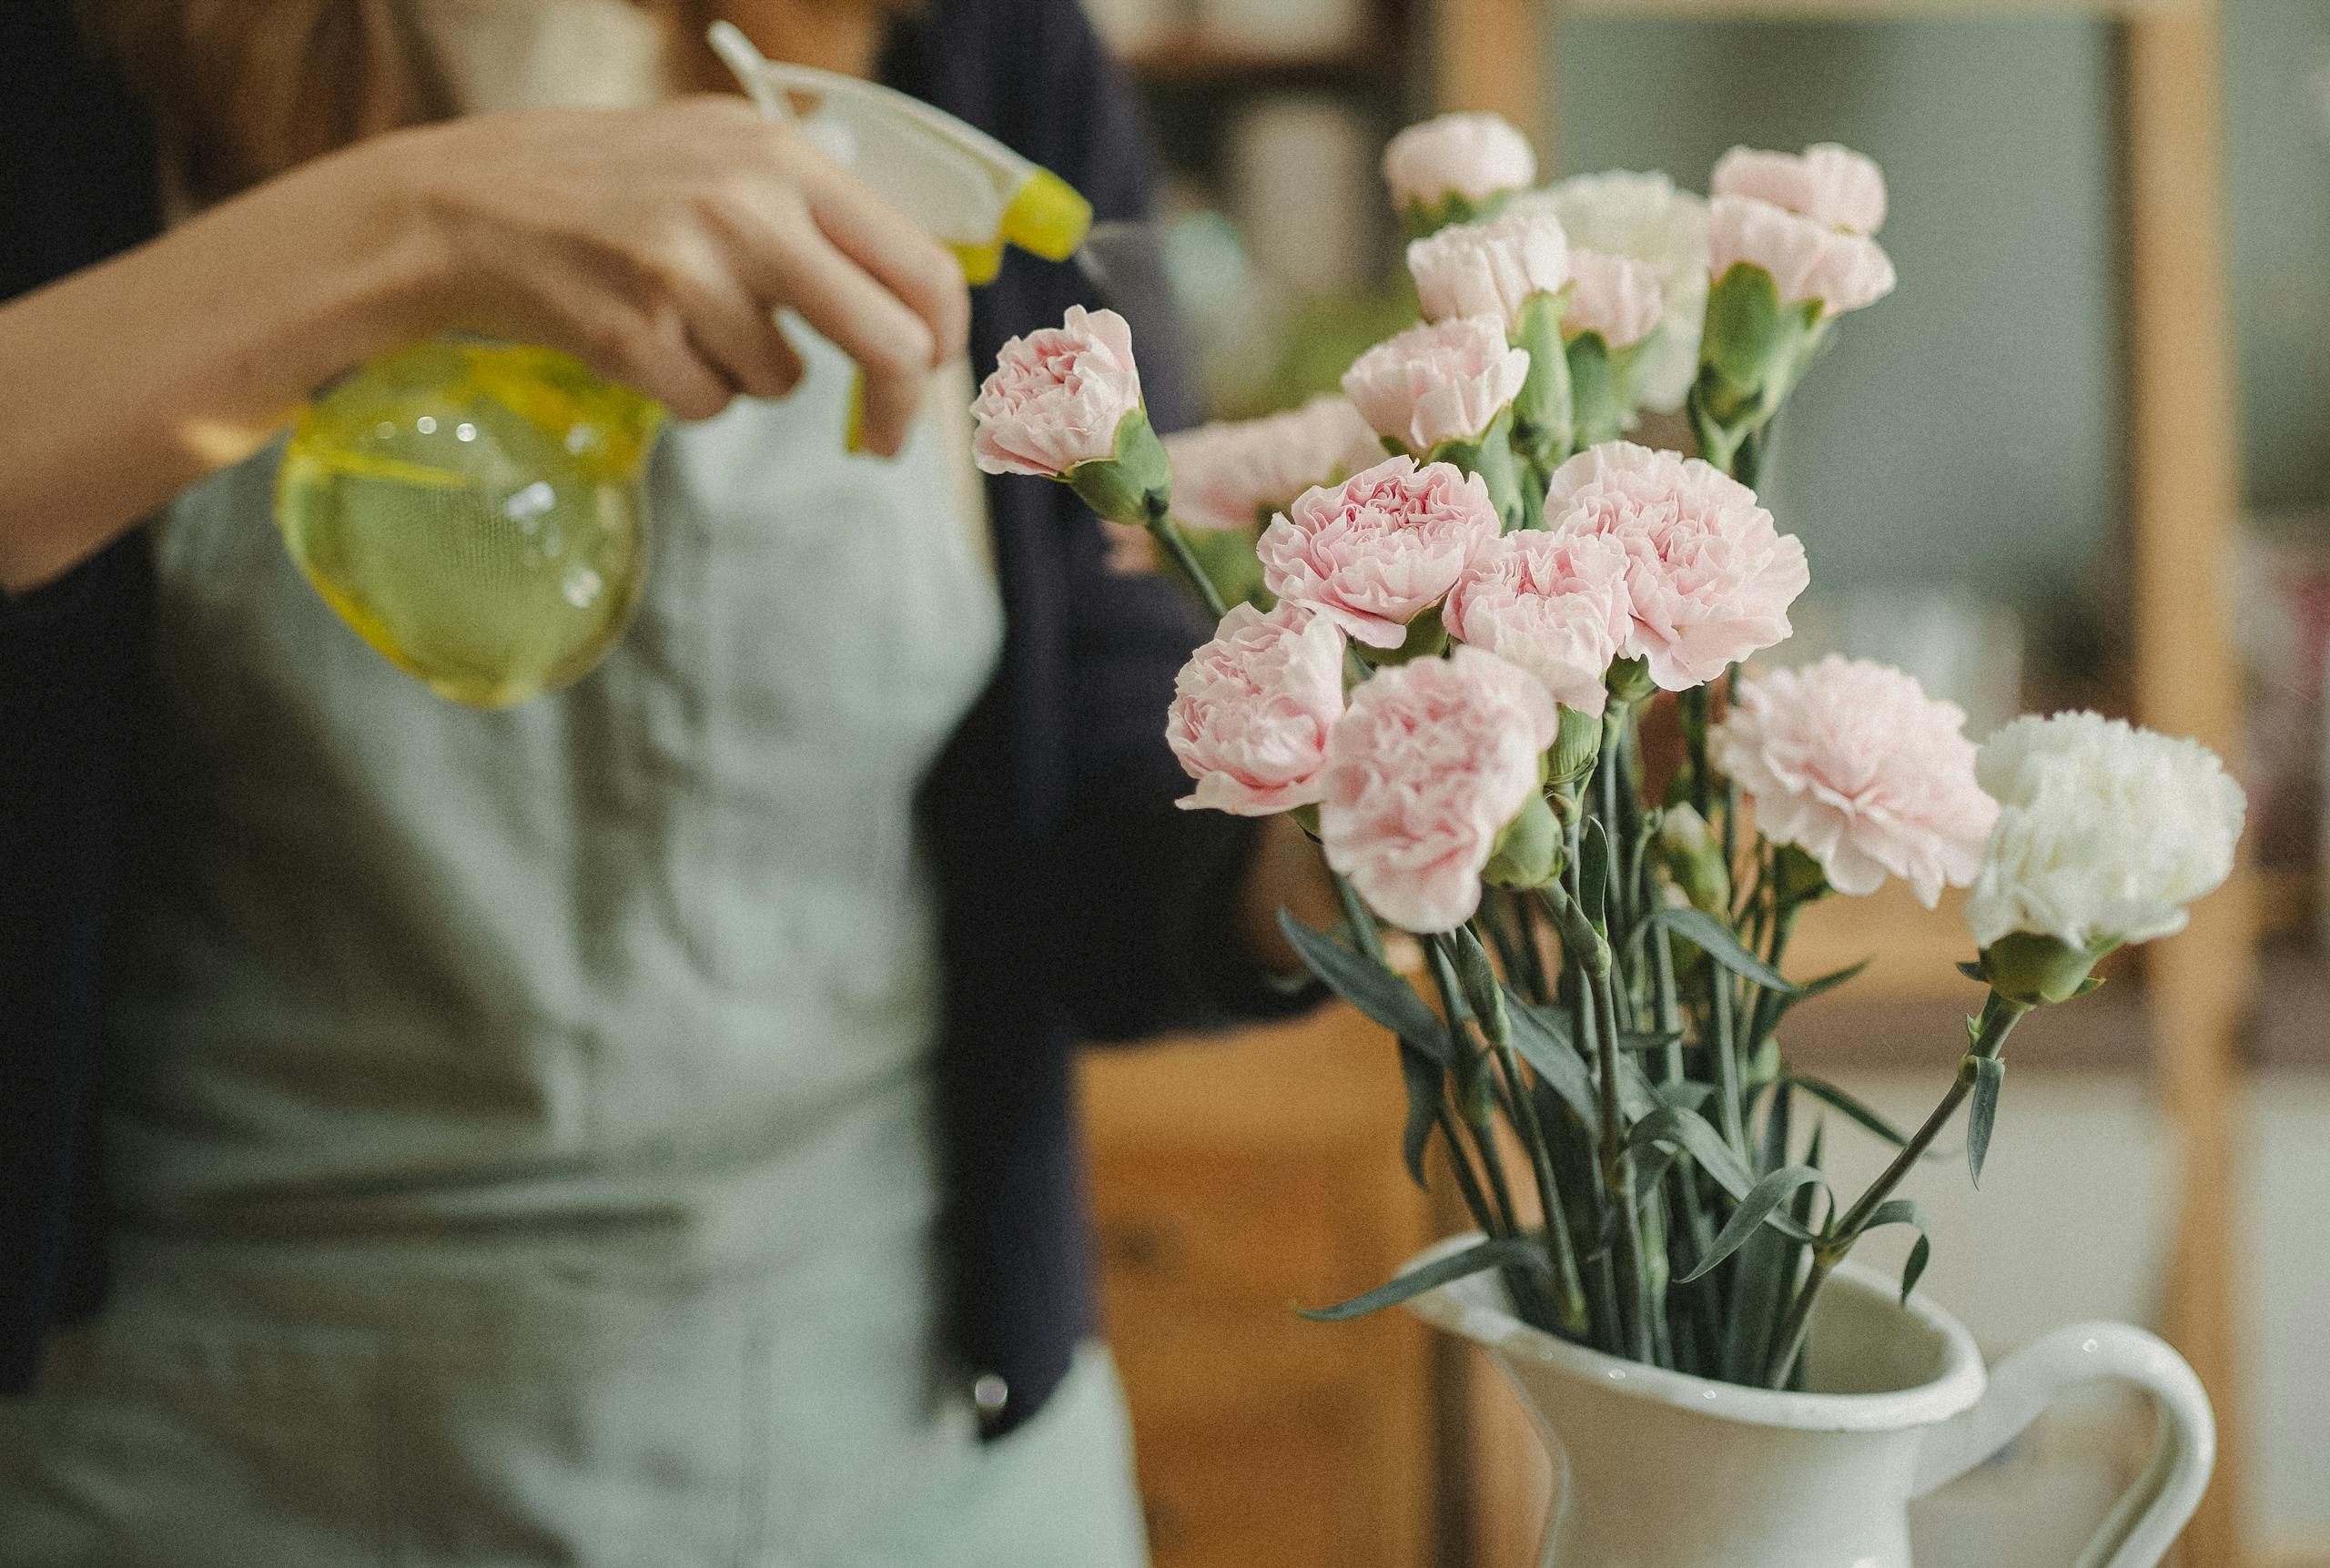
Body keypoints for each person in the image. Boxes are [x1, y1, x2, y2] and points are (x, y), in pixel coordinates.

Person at [0, 3, 1333, 1563]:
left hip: (896, 1450)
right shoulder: (65, 65)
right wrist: (411, 223)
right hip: (216, 1448)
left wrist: (1299, 862)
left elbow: (1095, 744)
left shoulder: (979, 48)